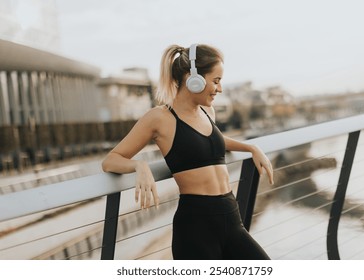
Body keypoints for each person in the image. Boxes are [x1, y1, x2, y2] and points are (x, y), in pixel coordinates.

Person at [102, 43, 274, 260]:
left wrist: (251, 147)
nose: (219, 89)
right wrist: (139, 166)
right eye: (216, 81)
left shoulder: (207, 112)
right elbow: (111, 160)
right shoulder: (159, 118)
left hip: (232, 219)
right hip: (196, 228)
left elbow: (209, 144)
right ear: (193, 79)